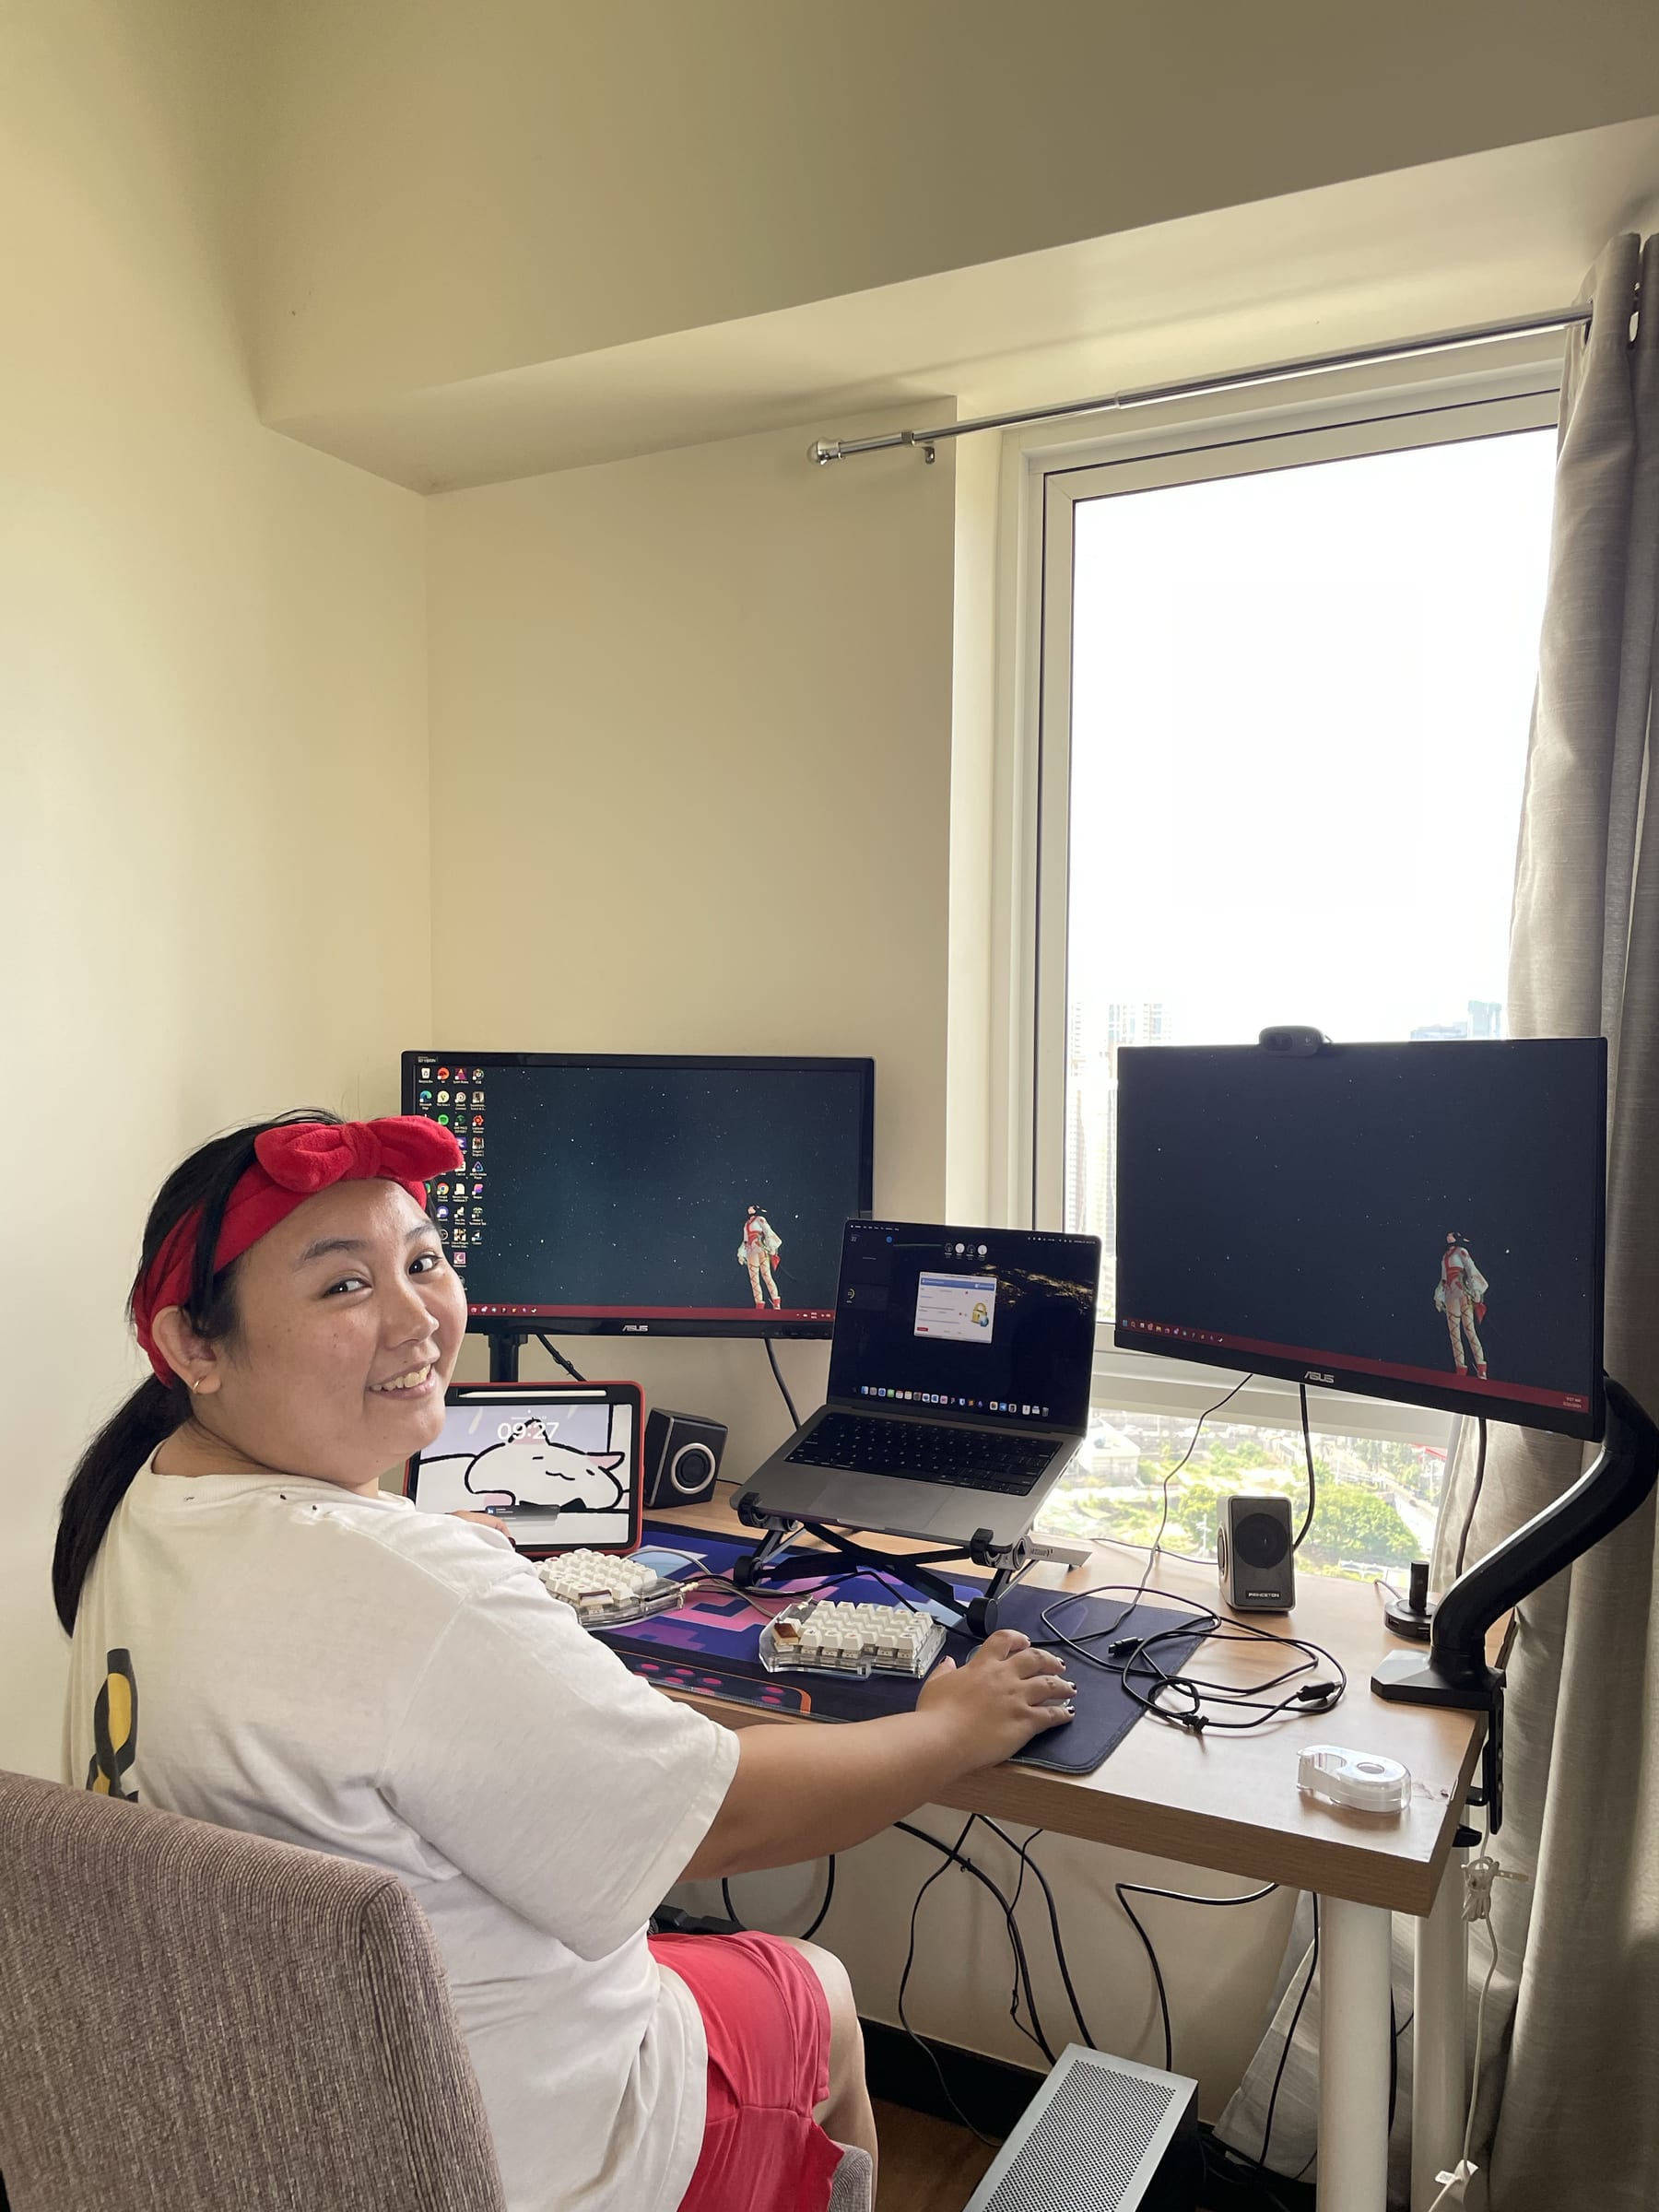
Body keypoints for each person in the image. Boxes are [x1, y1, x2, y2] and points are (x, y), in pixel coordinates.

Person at [56, 1112, 1073, 2212]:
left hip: (269, 2122)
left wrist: (430, 1559)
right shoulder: (410, 1586)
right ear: (193, 1346)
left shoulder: (141, 1508)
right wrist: (950, 1730)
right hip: (512, 2152)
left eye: (424, 1263)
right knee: (816, 1988)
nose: (418, 1319)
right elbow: (720, 1819)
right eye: (344, 1286)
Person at [1433, 1230, 1489, 1380]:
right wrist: (1438, 1296)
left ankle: (1481, 1368)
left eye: (1451, 1234)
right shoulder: (1445, 1256)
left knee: (1469, 1329)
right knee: (1454, 1334)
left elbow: (1470, 1268)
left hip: (1462, 1291)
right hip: (1450, 1294)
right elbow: (1443, 1279)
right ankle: (1460, 1370)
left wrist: (1476, 1289)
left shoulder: (1461, 1251)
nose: (1448, 1236)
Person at [737, 1203, 782, 1311]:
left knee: (767, 1276)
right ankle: (759, 1305)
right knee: (754, 1280)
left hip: (761, 1249)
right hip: (751, 1252)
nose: (749, 1209)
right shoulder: (746, 1224)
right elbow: (745, 1241)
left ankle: (776, 1303)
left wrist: (771, 1246)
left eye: (751, 1207)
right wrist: (741, 1254)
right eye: (748, 1208)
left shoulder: (760, 1219)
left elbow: (768, 1231)